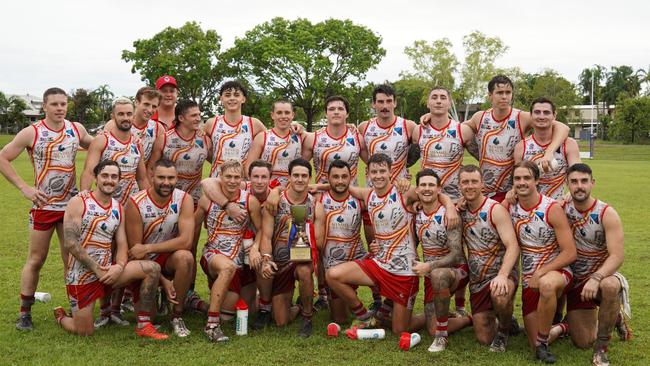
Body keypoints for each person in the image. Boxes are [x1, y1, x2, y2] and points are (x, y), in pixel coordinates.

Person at [326, 153, 458, 335]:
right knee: (332, 275)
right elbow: (339, 186)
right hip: (379, 265)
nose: (378, 175)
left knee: (400, 330)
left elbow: (436, 193)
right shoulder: (367, 194)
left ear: (391, 172)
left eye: (382, 171)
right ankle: (366, 317)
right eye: (374, 171)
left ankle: (423, 317)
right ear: (368, 173)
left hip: (404, 272)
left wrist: (450, 208)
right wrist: (311, 187)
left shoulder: (403, 193)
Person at [0, 87, 93, 330]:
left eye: (63, 104)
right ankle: (24, 313)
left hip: (71, 207)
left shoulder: (76, 129)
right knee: (36, 259)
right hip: (44, 206)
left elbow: (99, 146)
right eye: (54, 104)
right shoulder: (32, 132)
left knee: (71, 259)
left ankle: (75, 309)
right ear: (44, 106)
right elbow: (3, 157)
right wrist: (24, 187)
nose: (60, 108)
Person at [53, 160, 167, 339]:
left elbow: (122, 244)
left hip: (108, 273)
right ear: (96, 178)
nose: (109, 180)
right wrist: (96, 269)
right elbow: (71, 243)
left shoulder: (118, 208)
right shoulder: (78, 202)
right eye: (105, 175)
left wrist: (120, 266)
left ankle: (144, 325)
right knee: (85, 331)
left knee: (152, 268)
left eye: (114, 177)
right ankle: (61, 317)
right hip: (82, 275)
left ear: (119, 180)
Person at [421, 75, 570, 202]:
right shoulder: (480, 118)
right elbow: (454, 129)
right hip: (485, 191)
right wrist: (433, 116)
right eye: (499, 92)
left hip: (511, 191)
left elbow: (562, 127)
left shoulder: (521, 117)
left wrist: (549, 152)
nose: (504, 96)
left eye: (508, 92)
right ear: (490, 95)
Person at [412, 86, 475, 315]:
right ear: (428, 104)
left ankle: (460, 305)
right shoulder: (419, 130)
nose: (438, 101)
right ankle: (410, 298)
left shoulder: (462, 131)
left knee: (462, 252)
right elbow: (404, 159)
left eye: (443, 98)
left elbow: (482, 157)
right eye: (434, 98)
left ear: (450, 103)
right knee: (423, 244)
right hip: (427, 197)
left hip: (457, 201)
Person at [506, 161, 576, 363]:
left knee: (546, 285)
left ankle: (544, 344)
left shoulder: (551, 208)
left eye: (527, 178)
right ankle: (565, 325)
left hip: (557, 272)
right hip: (530, 279)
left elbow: (570, 252)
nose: (522, 182)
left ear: (537, 180)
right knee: (532, 340)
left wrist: (541, 272)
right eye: (517, 179)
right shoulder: (510, 207)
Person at [564, 163, 631, 366]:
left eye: (584, 181)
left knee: (610, 286)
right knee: (582, 341)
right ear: (567, 184)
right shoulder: (561, 208)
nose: (579, 186)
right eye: (574, 182)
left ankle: (602, 348)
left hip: (601, 276)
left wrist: (596, 278)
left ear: (592, 183)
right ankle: (614, 317)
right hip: (576, 281)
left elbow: (617, 256)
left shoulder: (606, 213)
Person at [125, 158, 195, 337]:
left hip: (166, 256)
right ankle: (155, 293)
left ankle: (176, 315)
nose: (166, 183)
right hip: (144, 264)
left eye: (171, 178)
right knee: (151, 317)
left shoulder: (184, 198)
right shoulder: (136, 202)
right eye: (161, 177)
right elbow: (135, 250)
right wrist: (163, 280)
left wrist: (149, 247)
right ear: (151, 176)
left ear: (176, 178)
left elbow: (186, 241)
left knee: (185, 257)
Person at [194, 160, 262, 342]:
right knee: (227, 269)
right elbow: (193, 229)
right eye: (228, 177)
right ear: (220, 177)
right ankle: (212, 325)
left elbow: (261, 229)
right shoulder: (207, 199)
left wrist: (255, 248)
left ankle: (201, 305)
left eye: (236, 177)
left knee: (238, 313)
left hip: (242, 258)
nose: (232, 181)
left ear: (242, 179)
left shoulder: (250, 200)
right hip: (215, 254)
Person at [259, 158, 325, 337]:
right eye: (295, 175)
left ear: (309, 178)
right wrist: (266, 258)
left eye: (304, 176)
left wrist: (307, 234)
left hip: (301, 260)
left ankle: (307, 317)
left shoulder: (316, 206)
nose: (300, 179)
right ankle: (298, 306)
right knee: (281, 321)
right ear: (288, 177)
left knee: (304, 271)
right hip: (280, 263)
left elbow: (319, 242)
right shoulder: (275, 201)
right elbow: (266, 235)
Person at [457, 165, 520, 352]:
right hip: (478, 281)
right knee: (484, 338)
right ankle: (507, 319)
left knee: (499, 294)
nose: (470, 186)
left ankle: (503, 332)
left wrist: (503, 275)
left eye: (474, 182)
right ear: (459, 186)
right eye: (465, 182)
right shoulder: (459, 211)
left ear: (482, 184)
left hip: (501, 275)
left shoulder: (495, 210)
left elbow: (513, 245)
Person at [411, 169, 471, 352]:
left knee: (437, 275)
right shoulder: (416, 214)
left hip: (456, 271)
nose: (427, 189)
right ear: (417, 190)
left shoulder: (449, 215)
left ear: (439, 189)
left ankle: (442, 336)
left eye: (431, 185)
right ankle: (466, 319)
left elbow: (456, 254)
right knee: (429, 326)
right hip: (432, 274)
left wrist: (429, 266)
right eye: (423, 185)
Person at [317, 160, 367, 324]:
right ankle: (355, 305)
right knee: (340, 319)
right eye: (335, 177)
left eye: (344, 177)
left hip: (358, 260)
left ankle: (380, 305)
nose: (340, 181)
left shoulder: (360, 199)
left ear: (351, 178)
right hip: (333, 266)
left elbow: (386, 194)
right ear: (328, 178)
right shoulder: (320, 200)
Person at [81, 97, 149, 206]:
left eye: (129, 114)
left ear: (134, 116)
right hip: (106, 203)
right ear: (113, 116)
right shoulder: (102, 140)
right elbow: (89, 172)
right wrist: (83, 199)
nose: (126, 118)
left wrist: (147, 202)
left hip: (130, 204)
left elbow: (142, 178)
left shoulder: (137, 143)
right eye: (121, 114)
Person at [512, 97, 580, 200]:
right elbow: (517, 178)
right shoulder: (521, 147)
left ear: (554, 115)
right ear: (531, 115)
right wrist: (512, 192)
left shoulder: (569, 144)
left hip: (560, 205)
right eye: (537, 112)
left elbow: (578, 172)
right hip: (531, 208)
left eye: (546, 112)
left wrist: (572, 191)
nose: (541, 116)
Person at [149, 99, 212, 204]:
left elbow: (216, 163)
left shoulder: (205, 140)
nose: (198, 119)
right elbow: (151, 169)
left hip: (194, 200)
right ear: (181, 118)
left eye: (199, 115)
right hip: (167, 198)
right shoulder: (164, 139)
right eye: (193, 116)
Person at [204, 81, 267, 178]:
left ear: (243, 99)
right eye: (227, 95)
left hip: (242, 181)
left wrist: (294, 127)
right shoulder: (211, 123)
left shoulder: (254, 124)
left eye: (237, 95)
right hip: (217, 178)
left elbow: (270, 144)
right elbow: (205, 151)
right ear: (221, 99)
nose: (232, 98)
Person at [246, 100, 303, 188]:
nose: (283, 116)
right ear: (272, 115)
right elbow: (248, 167)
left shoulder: (301, 137)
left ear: (293, 115)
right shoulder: (262, 137)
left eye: (287, 113)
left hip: (291, 190)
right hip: (265, 189)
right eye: (279, 113)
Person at [102, 87, 164, 164]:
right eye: (146, 104)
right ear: (136, 102)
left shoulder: (158, 129)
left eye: (154, 106)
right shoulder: (113, 124)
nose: (150, 110)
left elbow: (153, 164)